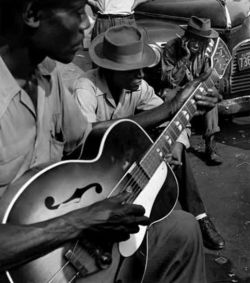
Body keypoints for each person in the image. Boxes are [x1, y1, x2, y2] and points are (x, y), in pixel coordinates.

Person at [0, 1, 208, 282]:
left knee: (183, 229)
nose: (87, 24)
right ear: (33, 14)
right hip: (30, 261)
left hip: (77, 239)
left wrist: (173, 111)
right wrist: (81, 221)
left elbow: (88, 135)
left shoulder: (49, 76)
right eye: (75, 11)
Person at [73, 24, 225, 250]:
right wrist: (170, 109)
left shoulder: (139, 86)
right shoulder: (84, 88)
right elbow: (85, 136)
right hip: (91, 175)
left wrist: (177, 144)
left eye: (142, 68)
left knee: (173, 146)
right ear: (110, 68)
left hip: (123, 159)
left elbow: (168, 117)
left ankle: (199, 216)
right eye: (133, 69)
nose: (141, 74)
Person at [159, 16, 223, 166]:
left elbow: (209, 78)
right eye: (194, 38)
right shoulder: (171, 47)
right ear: (186, 37)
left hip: (196, 90)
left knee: (211, 94)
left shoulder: (206, 51)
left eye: (201, 40)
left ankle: (210, 147)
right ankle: (174, 142)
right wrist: (185, 58)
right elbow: (169, 81)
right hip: (176, 91)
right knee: (166, 96)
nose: (197, 43)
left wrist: (207, 88)